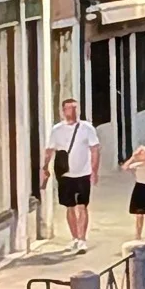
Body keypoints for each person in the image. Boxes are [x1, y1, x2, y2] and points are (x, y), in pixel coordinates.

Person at [42, 98, 101, 254]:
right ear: (63, 111)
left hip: (83, 172)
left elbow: (95, 149)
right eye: (69, 108)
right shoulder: (57, 130)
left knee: (82, 206)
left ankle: (82, 239)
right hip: (65, 174)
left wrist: (94, 171)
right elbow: (50, 150)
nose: (72, 111)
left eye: (75, 108)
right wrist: (45, 167)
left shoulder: (87, 128)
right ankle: (75, 237)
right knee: (69, 207)